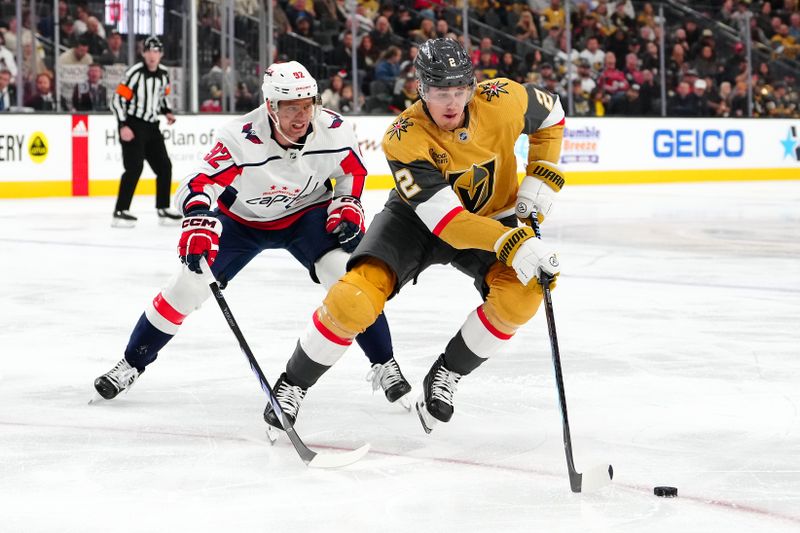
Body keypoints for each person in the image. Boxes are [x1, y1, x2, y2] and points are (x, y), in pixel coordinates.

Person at [262, 38, 564, 435]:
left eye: (459, 90)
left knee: (525, 294)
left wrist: (542, 176)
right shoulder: (403, 136)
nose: (452, 103)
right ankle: (292, 385)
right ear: (422, 89)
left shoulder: (504, 97)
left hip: (491, 216)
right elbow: (449, 222)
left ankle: (448, 373)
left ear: (473, 86)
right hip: (416, 221)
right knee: (354, 297)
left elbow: (552, 114)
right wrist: (516, 242)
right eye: (441, 92)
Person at [92, 60, 411, 411]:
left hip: (307, 215)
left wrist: (347, 203)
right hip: (243, 221)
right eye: (292, 108)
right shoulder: (240, 137)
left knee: (349, 281)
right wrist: (198, 217)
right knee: (187, 285)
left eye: (308, 105)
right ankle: (132, 363)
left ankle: (385, 362)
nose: (303, 116)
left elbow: (352, 169)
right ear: (271, 107)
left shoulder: (332, 128)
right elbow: (198, 183)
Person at [110, 36, 181, 227]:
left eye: (156, 51)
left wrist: (167, 112)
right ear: (143, 53)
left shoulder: (164, 74)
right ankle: (120, 211)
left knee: (164, 166)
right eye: (149, 51)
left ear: (161, 54)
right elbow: (117, 100)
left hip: (152, 126)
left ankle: (163, 208)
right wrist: (123, 125)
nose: (152, 55)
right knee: (134, 167)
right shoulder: (135, 73)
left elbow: (162, 96)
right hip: (133, 125)